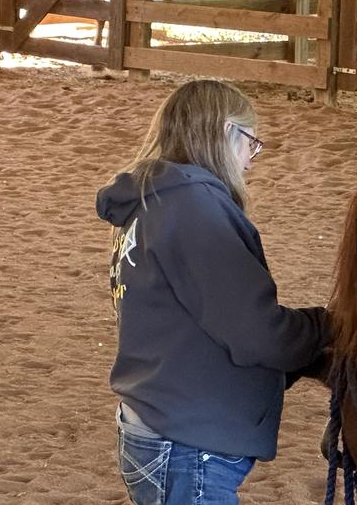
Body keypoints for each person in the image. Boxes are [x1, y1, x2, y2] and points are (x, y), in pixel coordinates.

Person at [96, 79, 331, 505]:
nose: (250, 162)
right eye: (250, 143)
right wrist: (327, 325)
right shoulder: (193, 208)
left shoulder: (151, 202)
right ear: (226, 133)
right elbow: (255, 333)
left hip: (155, 419)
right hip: (187, 441)